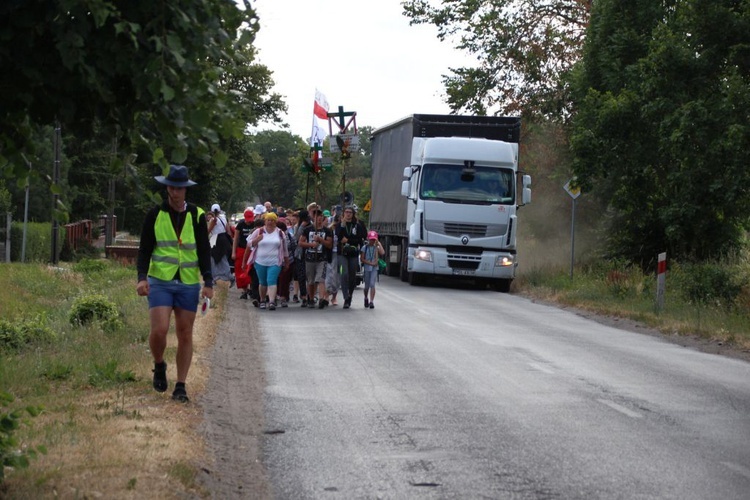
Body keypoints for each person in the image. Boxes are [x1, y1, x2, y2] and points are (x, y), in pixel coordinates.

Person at [136, 164, 214, 403]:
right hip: (160, 279)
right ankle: (159, 364)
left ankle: (180, 385)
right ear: (167, 188)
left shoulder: (197, 215)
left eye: (180, 187)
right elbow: (145, 250)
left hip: (188, 282)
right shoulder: (154, 215)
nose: (176, 192)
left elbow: (203, 250)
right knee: (159, 330)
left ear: (185, 189)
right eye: (172, 187)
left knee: (185, 333)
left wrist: (209, 281)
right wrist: (141, 278)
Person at [243, 212, 289, 310]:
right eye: (268, 220)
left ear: (275, 222)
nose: (270, 222)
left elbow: (285, 249)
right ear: (265, 221)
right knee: (263, 282)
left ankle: (272, 301)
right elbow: (249, 244)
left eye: (272, 220)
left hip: (275, 261)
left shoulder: (280, 233)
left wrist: (286, 261)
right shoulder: (258, 231)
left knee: (271, 280)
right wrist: (257, 240)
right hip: (260, 261)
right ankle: (263, 300)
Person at [299, 209, 332, 309]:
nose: (319, 218)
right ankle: (311, 298)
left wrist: (321, 240)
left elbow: (330, 245)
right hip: (309, 258)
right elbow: (300, 242)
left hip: (322, 259)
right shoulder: (307, 229)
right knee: (311, 281)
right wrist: (311, 244)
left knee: (321, 279)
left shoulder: (327, 231)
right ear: (313, 217)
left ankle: (321, 298)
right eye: (317, 216)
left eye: (321, 216)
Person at [336, 205, 367, 309]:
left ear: (353, 214)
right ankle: (345, 297)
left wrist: (348, 240)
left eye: (350, 212)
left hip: (353, 253)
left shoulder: (358, 225)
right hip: (342, 253)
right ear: (343, 214)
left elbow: (360, 238)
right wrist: (342, 225)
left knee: (352, 276)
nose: (348, 214)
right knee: (343, 273)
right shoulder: (340, 224)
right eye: (346, 212)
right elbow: (338, 236)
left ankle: (350, 294)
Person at [207, 203, 234, 286]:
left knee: (212, 259)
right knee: (223, 259)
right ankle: (228, 276)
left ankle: (214, 277)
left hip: (214, 238)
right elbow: (228, 230)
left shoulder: (212, 220)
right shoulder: (223, 218)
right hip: (223, 238)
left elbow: (208, 231)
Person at [232, 207, 254, 299]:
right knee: (240, 269)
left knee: (251, 270)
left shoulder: (255, 224)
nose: (249, 222)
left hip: (252, 250)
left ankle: (252, 288)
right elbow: (236, 239)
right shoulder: (240, 224)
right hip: (241, 249)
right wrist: (234, 252)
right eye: (247, 220)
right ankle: (244, 290)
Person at [360, 231, 385, 309]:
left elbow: (383, 252)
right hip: (367, 267)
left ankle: (371, 301)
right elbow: (362, 259)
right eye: (371, 239)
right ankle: (366, 297)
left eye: (374, 240)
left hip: (374, 268)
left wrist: (379, 244)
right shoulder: (365, 247)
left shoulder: (376, 247)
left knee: (372, 284)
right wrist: (370, 263)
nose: (372, 241)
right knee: (367, 286)